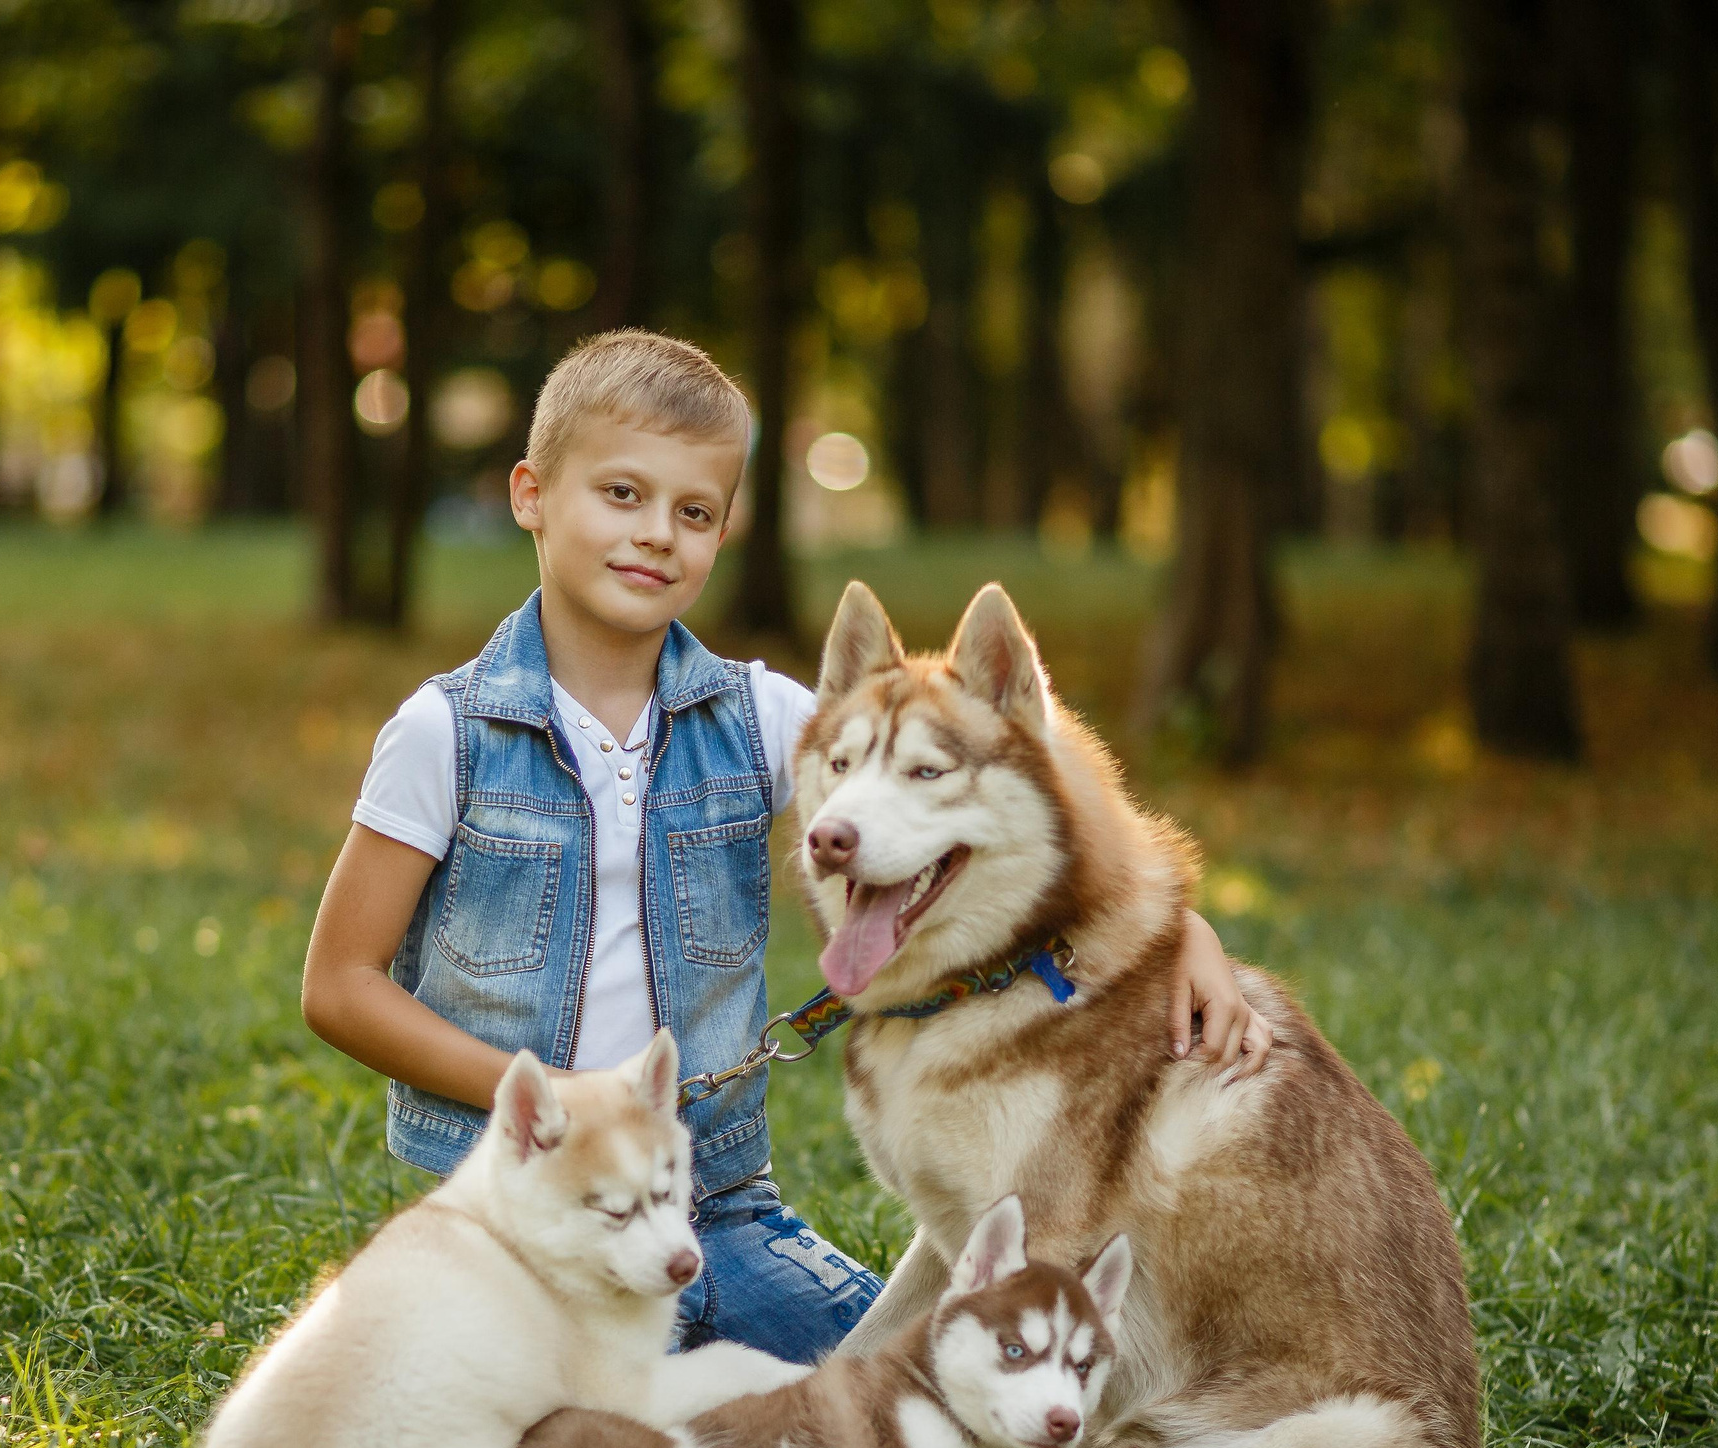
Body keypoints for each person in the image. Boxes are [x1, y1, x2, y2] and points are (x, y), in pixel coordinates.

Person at [299, 330, 1260, 1364]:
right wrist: (541, 1094)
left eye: (693, 512)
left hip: (715, 1217)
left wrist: (1184, 931)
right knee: (528, 1424)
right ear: (531, 494)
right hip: (503, 1216)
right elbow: (340, 986)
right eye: (620, 495)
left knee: (920, 1387)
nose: (656, 534)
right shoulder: (445, 734)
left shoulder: (765, 718)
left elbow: (997, 804)